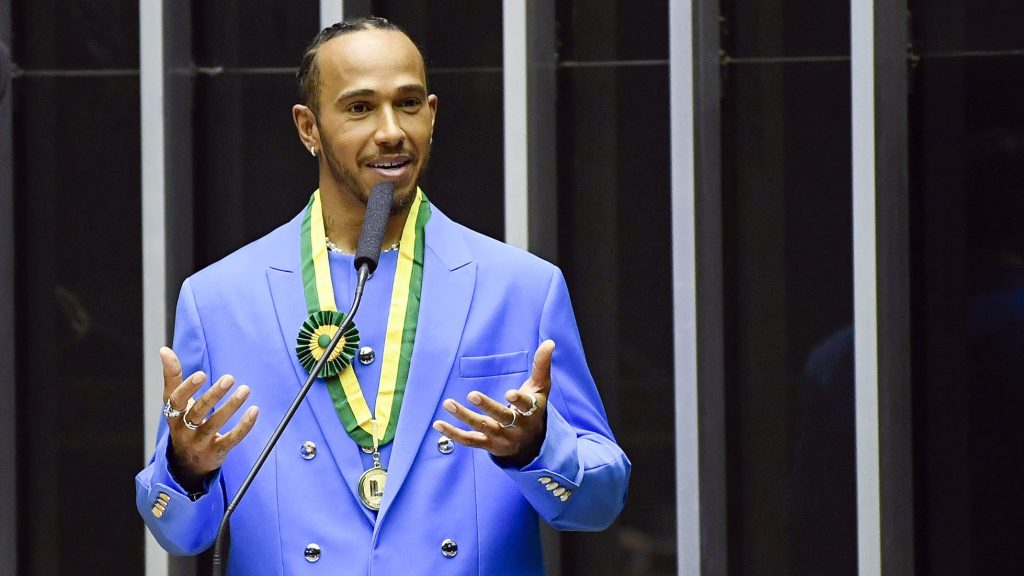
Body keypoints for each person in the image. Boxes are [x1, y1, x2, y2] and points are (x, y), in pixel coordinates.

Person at [136, 16, 630, 575]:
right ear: (308, 128)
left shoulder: (521, 286)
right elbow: (178, 534)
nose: (392, 130)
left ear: (433, 115)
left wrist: (537, 448)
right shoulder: (219, 298)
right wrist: (186, 467)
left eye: (409, 103)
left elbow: (601, 502)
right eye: (359, 107)